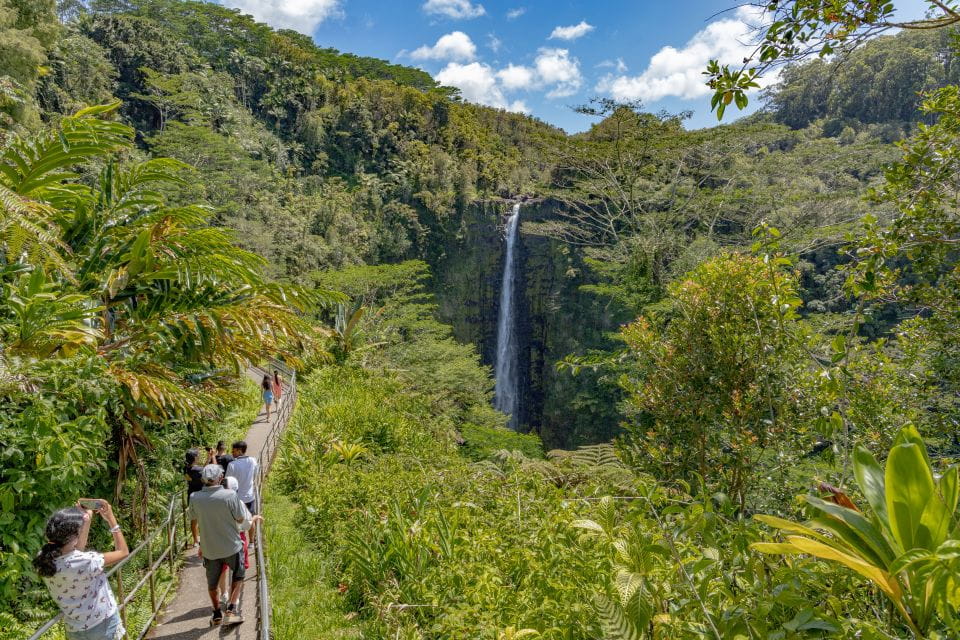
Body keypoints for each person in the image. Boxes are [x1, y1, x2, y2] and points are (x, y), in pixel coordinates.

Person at [35, 500, 129, 640]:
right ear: (73, 537)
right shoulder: (87, 561)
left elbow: (75, 552)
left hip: (75, 630)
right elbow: (123, 552)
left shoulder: (43, 557)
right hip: (102, 624)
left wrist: (86, 521)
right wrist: (111, 518)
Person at [188, 464, 246, 626]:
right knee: (239, 575)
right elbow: (240, 518)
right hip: (231, 545)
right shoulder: (229, 495)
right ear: (220, 477)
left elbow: (192, 517)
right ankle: (231, 610)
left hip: (209, 548)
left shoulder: (194, 497)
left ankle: (216, 614)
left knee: (212, 583)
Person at [216, 477, 263, 606]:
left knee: (222, 567)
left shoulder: (215, 504)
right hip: (237, 538)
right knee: (239, 569)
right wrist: (254, 518)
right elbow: (245, 525)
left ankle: (224, 593)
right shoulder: (239, 503)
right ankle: (234, 599)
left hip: (219, 538)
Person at [225, 441, 259, 542]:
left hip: (236, 498)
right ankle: (252, 542)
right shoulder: (253, 460)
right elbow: (255, 474)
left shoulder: (232, 465)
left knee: (238, 521)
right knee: (250, 519)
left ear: (240, 451)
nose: (232, 453)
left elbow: (227, 481)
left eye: (234, 451)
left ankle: (241, 541)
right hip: (249, 496)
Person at [183, 449, 204, 547]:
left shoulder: (186, 468)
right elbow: (207, 474)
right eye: (198, 455)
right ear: (195, 457)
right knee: (204, 518)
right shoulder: (198, 470)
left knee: (194, 519)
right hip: (201, 496)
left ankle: (195, 541)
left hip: (191, 496)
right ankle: (204, 538)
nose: (199, 456)